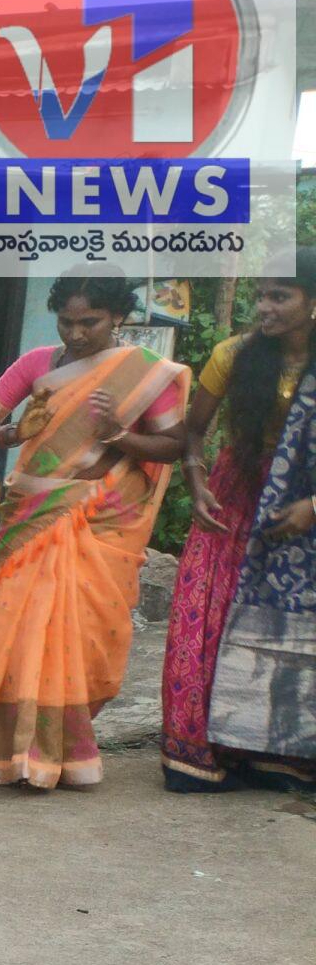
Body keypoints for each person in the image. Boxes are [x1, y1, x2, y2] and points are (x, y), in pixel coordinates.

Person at [0, 272, 187, 789]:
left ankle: (55, 756)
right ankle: (4, 754)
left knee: (76, 640)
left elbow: (174, 444)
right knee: (6, 630)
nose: (77, 333)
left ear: (118, 317)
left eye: (90, 322)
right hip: (29, 517)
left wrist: (118, 435)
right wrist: (12, 433)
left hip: (97, 521)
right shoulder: (37, 364)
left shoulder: (142, 373)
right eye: (66, 322)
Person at [163, 254, 316, 789]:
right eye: (261, 295)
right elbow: (193, 432)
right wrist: (197, 483)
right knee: (205, 612)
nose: (265, 307)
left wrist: (312, 507)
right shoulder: (233, 354)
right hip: (235, 494)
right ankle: (199, 750)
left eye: (280, 296)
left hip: (304, 504)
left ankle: (278, 752)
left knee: (289, 629)